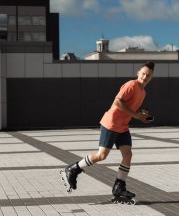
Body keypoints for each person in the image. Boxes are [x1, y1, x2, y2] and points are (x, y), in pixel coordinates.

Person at [61, 61, 155, 200]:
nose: (145, 76)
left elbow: (130, 107)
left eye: (148, 75)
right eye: (143, 73)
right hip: (111, 124)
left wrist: (141, 114)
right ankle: (73, 169)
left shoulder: (143, 92)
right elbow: (118, 101)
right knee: (101, 155)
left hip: (123, 126)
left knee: (127, 155)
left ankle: (119, 187)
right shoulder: (131, 85)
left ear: (151, 77)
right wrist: (135, 115)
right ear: (138, 73)